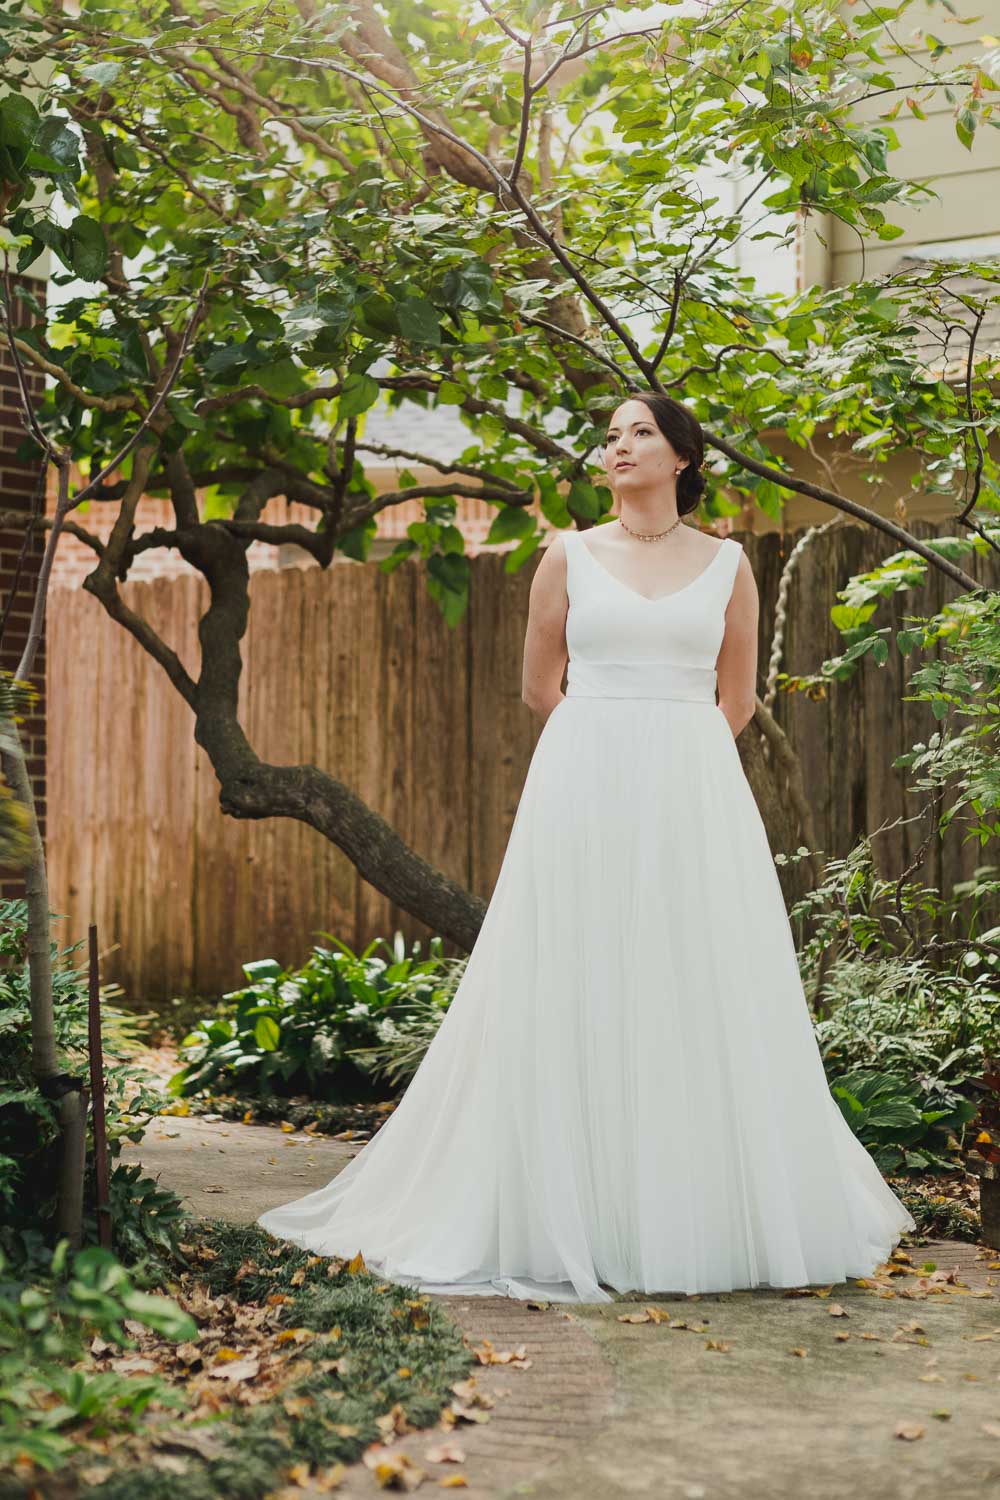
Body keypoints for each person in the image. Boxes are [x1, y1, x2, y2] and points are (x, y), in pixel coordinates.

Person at [258, 391, 915, 1303]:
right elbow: (540, 687)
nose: (619, 447)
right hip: (582, 788)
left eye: (640, 432)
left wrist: (672, 763)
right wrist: (607, 758)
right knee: (577, 972)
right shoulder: (567, 554)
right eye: (610, 436)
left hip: (693, 795)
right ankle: (561, 1206)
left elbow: (734, 697)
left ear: (682, 454)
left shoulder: (728, 563)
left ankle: (688, 1212)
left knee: (692, 977)